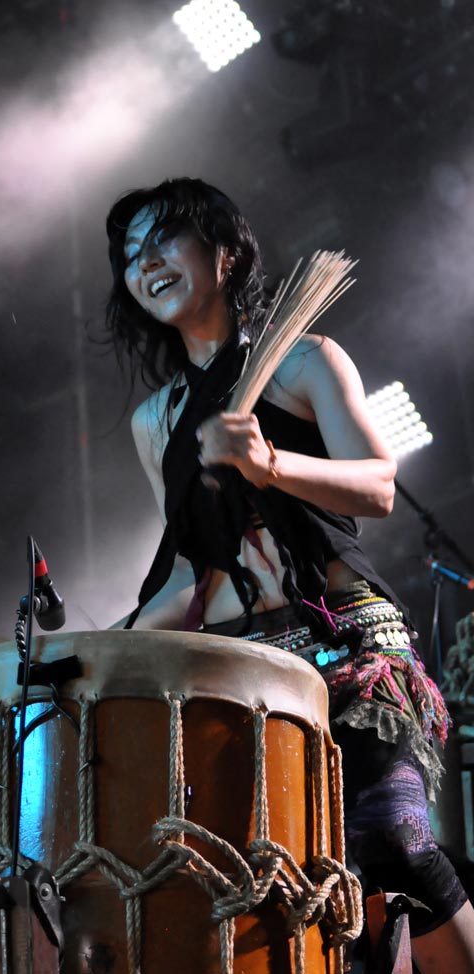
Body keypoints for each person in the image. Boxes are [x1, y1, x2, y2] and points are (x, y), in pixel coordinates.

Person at [105, 176, 474, 972]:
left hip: (352, 648)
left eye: (164, 240)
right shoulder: (155, 421)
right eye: (131, 256)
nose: (146, 264)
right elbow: (191, 577)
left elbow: (378, 485)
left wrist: (270, 464)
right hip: (250, 671)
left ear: (225, 252)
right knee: (280, 880)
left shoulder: (304, 359)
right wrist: (104, 648)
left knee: (394, 843)